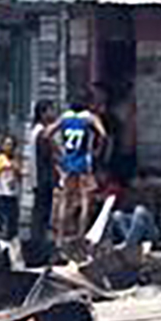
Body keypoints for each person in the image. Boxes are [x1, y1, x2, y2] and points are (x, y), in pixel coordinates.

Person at [53, 95, 108, 249]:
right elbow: (103, 134)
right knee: (85, 199)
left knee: (65, 199)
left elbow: (47, 133)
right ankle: (81, 236)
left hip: (68, 161)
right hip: (83, 161)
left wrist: (58, 154)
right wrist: (98, 149)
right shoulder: (89, 118)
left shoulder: (64, 118)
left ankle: (59, 238)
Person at [25, 100, 59, 263]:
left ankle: (36, 249)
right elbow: (48, 158)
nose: (54, 114)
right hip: (43, 179)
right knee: (41, 216)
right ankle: (38, 251)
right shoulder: (42, 134)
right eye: (51, 110)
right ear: (43, 113)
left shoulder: (35, 131)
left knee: (38, 215)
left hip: (38, 178)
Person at [0, 134, 20, 240]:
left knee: (12, 215)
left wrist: (16, 169)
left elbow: (19, 174)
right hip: (0, 191)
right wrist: (2, 167)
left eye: (11, 145)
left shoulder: (15, 159)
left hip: (11, 191)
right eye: (7, 144)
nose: (9, 147)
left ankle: (11, 235)